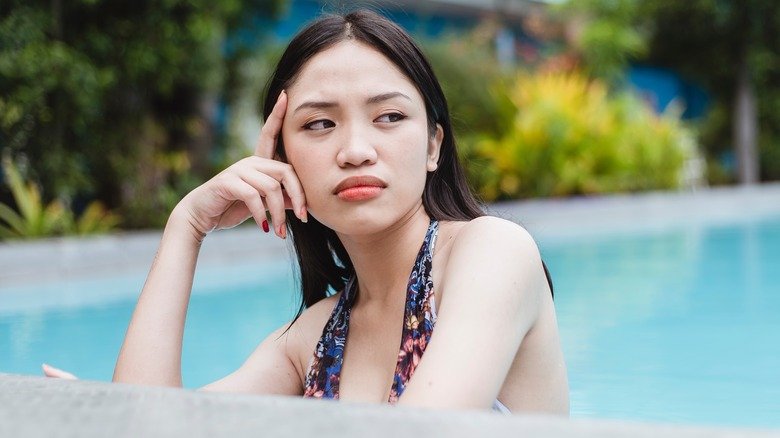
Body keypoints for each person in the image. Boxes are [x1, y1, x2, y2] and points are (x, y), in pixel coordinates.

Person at [44, 9, 568, 414]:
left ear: (433, 146)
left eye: (389, 116)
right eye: (320, 124)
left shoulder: (493, 252)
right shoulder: (313, 340)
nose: (356, 150)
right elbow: (145, 428)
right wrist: (188, 225)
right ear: (281, 157)